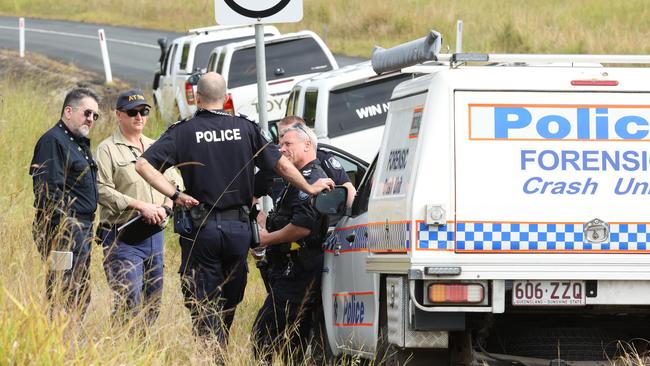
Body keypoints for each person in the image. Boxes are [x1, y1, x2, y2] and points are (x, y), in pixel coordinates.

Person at [134, 72, 333, 345]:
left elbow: (143, 165)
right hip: (238, 231)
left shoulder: (183, 131)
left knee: (203, 301)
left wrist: (175, 194)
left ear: (197, 98)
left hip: (202, 230)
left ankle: (212, 349)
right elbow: (282, 165)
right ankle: (220, 342)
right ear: (227, 97)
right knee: (230, 297)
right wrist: (310, 188)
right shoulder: (246, 129)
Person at [96, 89, 182, 327]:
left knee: (153, 300)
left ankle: (142, 349)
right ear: (118, 115)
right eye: (132, 112)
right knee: (128, 297)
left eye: (143, 111)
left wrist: (166, 205)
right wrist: (139, 205)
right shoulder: (107, 149)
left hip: (154, 234)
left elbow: (175, 180)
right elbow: (101, 189)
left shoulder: (155, 146)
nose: (139, 117)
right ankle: (121, 347)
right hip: (123, 234)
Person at [252, 122, 329, 364]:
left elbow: (302, 227)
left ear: (307, 145)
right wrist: (260, 219)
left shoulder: (313, 179)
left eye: (288, 144)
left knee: (262, 335)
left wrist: (266, 238)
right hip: (284, 267)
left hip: (299, 271)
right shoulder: (290, 178)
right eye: (280, 144)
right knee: (291, 344)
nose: (282, 149)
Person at [30, 87, 101, 317]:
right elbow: (47, 193)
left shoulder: (77, 143)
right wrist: (68, 230)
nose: (91, 119)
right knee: (63, 292)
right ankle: (57, 343)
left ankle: (70, 344)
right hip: (62, 234)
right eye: (87, 113)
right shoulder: (54, 141)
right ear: (68, 111)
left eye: (95, 116)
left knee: (79, 293)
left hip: (80, 232)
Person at [255, 116, 356, 207]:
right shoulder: (276, 163)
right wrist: (261, 220)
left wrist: (349, 220)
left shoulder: (321, 157)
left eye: (291, 134)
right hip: (282, 223)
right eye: (282, 136)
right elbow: (248, 193)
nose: (283, 145)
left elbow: (347, 187)